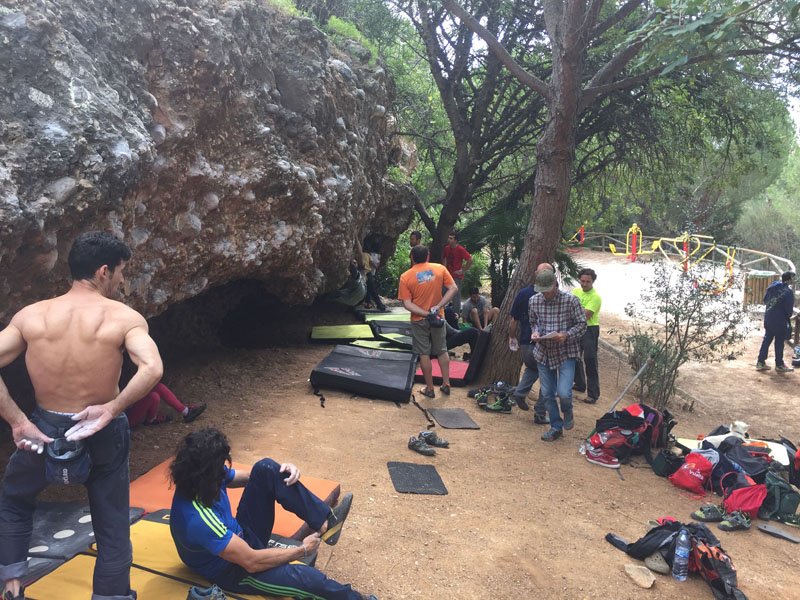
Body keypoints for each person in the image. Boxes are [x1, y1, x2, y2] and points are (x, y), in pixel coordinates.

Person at [0, 231, 163, 600]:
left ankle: (11, 584)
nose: (122, 280)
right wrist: (111, 408)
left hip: (43, 428)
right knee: (112, 523)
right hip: (101, 430)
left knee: (15, 499)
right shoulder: (124, 318)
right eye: (121, 271)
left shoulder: (31, 316)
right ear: (104, 271)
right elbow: (152, 368)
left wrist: (19, 421)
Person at [169, 428, 376, 600]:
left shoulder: (202, 478)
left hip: (242, 536)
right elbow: (251, 561)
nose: (224, 471)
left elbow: (251, 476)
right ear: (207, 476)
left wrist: (282, 472)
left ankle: (326, 524)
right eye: (220, 469)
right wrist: (302, 550)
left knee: (265, 467)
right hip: (235, 570)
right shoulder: (197, 519)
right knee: (307, 578)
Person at [529, 268, 587, 442]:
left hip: (565, 352)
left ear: (555, 284)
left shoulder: (571, 301)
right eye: (542, 291)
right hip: (544, 352)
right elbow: (533, 322)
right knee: (547, 393)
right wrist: (535, 333)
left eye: (548, 290)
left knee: (564, 392)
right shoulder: (534, 301)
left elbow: (582, 324)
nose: (545, 294)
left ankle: (568, 411)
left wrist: (567, 335)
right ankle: (556, 426)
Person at [398, 245, 458, 398]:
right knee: (442, 350)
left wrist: (425, 314)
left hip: (419, 320)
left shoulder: (405, 276)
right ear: (428, 256)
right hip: (438, 317)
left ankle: (430, 388)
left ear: (412, 257)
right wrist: (438, 306)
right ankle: (446, 383)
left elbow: (407, 303)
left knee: (423, 353)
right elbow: (453, 288)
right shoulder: (440, 269)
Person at [508, 264, 551, 424]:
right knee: (549, 377)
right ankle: (540, 413)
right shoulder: (552, 293)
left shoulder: (524, 293)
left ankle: (520, 392)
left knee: (532, 368)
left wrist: (512, 337)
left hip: (526, 342)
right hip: (543, 343)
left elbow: (514, 320)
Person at [572, 268, 602, 403]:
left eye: (587, 282)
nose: (584, 284)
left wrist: (574, 311)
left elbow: (586, 315)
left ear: (593, 281)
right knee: (574, 356)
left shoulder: (595, 297)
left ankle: (593, 394)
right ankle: (579, 383)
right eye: (582, 281)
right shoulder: (575, 291)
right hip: (576, 327)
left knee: (590, 360)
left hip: (590, 329)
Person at [756, 271, 796, 373]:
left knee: (767, 340)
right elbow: (789, 311)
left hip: (769, 318)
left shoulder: (772, 286)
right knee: (779, 342)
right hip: (780, 321)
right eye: (792, 278)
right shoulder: (788, 292)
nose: (793, 280)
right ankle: (779, 364)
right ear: (789, 279)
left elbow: (765, 300)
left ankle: (760, 362)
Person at [125, 382, 206, 426]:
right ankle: (151, 420)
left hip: (128, 410)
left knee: (157, 387)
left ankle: (186, 411)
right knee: (153, 396)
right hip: (124, 419)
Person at [442, 232, 472, 314]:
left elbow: (469, 260)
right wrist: (444, 269)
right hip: (447, 275)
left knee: (456, 297)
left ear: (455, 240)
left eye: (451, 238)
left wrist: (463, 270)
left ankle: (456, 315)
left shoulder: (460, 249)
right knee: (442, 293)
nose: (449, 240)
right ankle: (440, 313)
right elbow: (444, 258)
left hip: (456, 277)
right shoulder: (446, 248)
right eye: (449, 238)